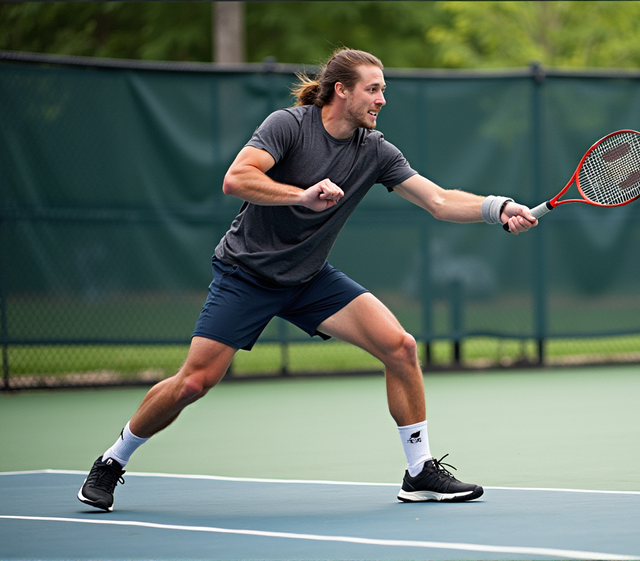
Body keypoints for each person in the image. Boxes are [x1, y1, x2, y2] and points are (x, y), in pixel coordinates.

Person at [77, 47, 537, 511]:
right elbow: (236, 179)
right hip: (247, 274)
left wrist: (497, 209)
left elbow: (437, 200)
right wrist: (302, 195)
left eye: (383, 91)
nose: (381, 100)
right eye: (372, 89)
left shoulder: (375, 151)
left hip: (309, 278)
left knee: (400, 347)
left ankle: (419, 472)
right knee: (194, 383)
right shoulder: (289, 125)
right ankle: (113, 461)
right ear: (341, 90)